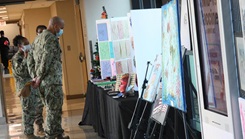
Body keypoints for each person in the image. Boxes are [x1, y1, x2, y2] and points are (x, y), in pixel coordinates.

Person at [27, 16, 69, 139]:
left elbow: (30, 59)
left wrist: (34, 76)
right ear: (55, 26)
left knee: (53, 108)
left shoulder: (37, 39)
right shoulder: (51, 38)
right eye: (61, 28)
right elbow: (46, 60)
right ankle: (50, 135)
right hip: (51, 81)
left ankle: (58, 133)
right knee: (53, 110)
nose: (62, 30)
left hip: (43, 82)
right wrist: (39, 76)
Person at [12, 35, 44, 139]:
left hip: (33, 86)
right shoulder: (17, 58)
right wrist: (25, 59)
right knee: (27, 111)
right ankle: (29, 134)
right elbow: (20, 72)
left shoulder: (30, 55)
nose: (28, 46)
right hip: (25, 89)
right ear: (19, 46)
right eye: (25, 44)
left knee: (34, 110)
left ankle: (35, 130)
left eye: (28, 43)